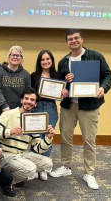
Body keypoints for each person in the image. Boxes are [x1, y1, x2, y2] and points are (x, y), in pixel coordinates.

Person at [49, 29, 111, 190]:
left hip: (89, 105)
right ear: (67, 42)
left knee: (89, 140)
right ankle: (65, 166)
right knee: (65, 137)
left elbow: (108, 75)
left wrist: (103, 88)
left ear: (82, 39)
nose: (73, 41)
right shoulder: (64, 61)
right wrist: (64, 82)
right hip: (68, 106)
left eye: (76, 38)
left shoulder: (95, 56)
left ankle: (89, 173)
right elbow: (60, 85)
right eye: (70, 39)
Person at [0, 87, 54, 185]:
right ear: (21, 100)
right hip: (5, 155)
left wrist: (48, 137)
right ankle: (6, 182)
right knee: (30, 169)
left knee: (48, 164)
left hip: (21, 155)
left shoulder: (33, 120)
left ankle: (16, 174)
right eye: (26, 98)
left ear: (35, 104)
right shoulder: (8, 114)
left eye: (32, 100)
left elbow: (38, 148)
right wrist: (10, 131)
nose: (29, 101)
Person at [30, 50, 69, 181]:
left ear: (51, 61)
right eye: (43, 59)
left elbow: (62, 97)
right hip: (37, 107)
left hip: (51, 107)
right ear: (39, 62)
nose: (45, 62)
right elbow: (30, 93)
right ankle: (35, 166)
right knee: (37, 137)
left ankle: (44, 168)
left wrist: (64, 95)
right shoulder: (34, 76)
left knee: (48, 135)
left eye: (48, 59)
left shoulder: (58, 75)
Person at [0, 45, 31, 117]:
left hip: (19, 113)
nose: (15, 57)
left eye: (18, 55)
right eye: (13, 55)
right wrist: (4, 106)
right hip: (2, 111)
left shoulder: (26, 74)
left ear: (21, 58)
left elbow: (28, 94)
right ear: (9, 56)